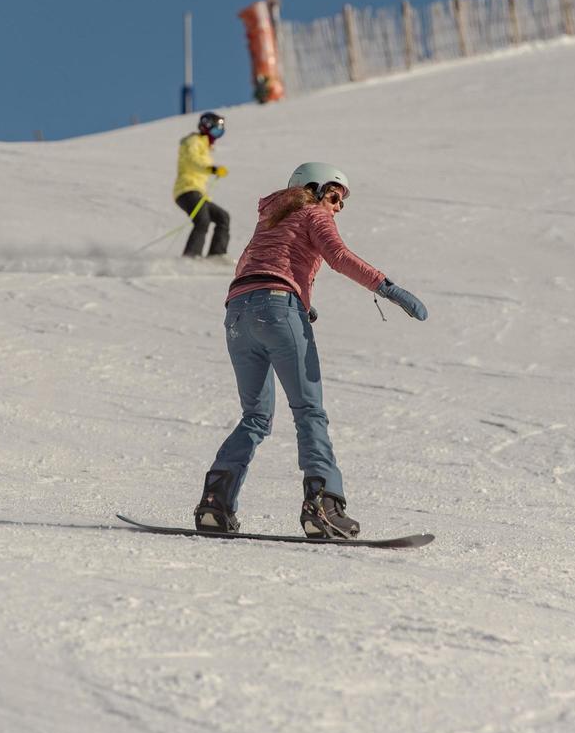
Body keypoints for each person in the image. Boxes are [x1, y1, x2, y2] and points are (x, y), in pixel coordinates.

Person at [193, 162, 429, 539]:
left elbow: (248, 265)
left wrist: (298, 299)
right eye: (335, 195)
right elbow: (337, 255)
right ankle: (324, 505)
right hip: (278, 308)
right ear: (315, 188)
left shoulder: (271, 218)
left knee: (255, 416)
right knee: (308, 410)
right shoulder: (312, 211)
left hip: (238, 314)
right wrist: (387, 288)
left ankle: (214, 504)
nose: (337, 206)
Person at [172, 111, 231, 258]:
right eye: (216, 131)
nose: (216, 136)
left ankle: (216, 255)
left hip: (198, 192)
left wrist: (213, 169)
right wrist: (212, 169)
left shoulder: (204, 147)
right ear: (206, 126)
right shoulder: (192, 141)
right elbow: (193, 160)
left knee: (222, 217)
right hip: (187, 189)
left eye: (220, 133)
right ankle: (191, 256)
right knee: (202, 220)